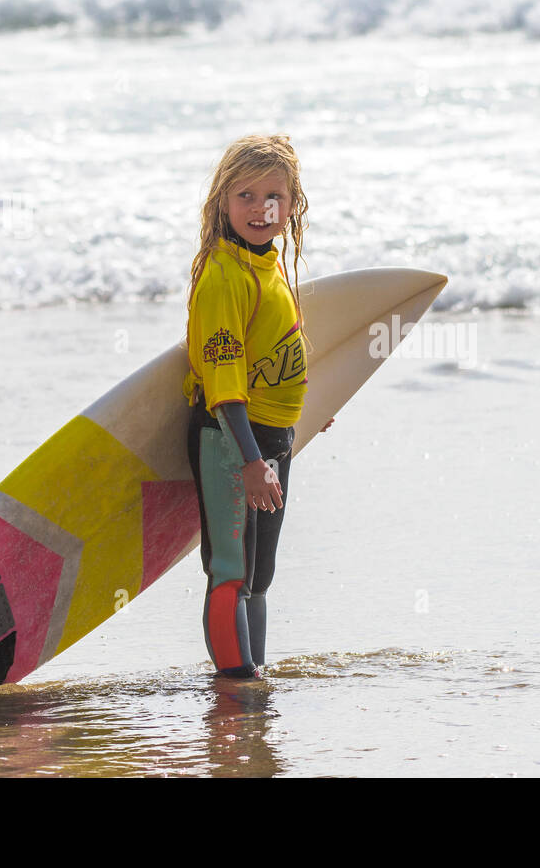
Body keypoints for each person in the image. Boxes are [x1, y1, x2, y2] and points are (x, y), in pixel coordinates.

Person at [182, 134, 331, 678]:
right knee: (230, 572)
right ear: (222, 202)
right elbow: (224, 384)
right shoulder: (225, 274)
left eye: (274, 196)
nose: (260, 208)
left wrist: (309, 413)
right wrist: (249, 462)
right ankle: (235, 689)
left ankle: (254, 677)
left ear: (292, 206)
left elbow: (273, 357)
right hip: (231, 439)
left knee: (259, 576)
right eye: (244, 195)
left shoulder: (266, 266)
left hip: (271, 438)